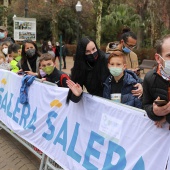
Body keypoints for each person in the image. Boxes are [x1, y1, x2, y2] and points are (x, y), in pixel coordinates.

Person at [66, 37, 143, 103]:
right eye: (88, 51)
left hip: (114, 101)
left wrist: (140, 84)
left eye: (94, 49)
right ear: (82, 53)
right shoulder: (79, 69)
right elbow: (73, 98)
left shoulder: (106, 59)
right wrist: (77, 95)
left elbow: (125, 72)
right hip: (97, 105)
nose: (92, 53)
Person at [142, 34, 170, 128]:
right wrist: (154, 111)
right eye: (169, 55)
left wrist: (167, 117)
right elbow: (146, 104)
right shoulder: (150, 78)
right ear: (158, 58)